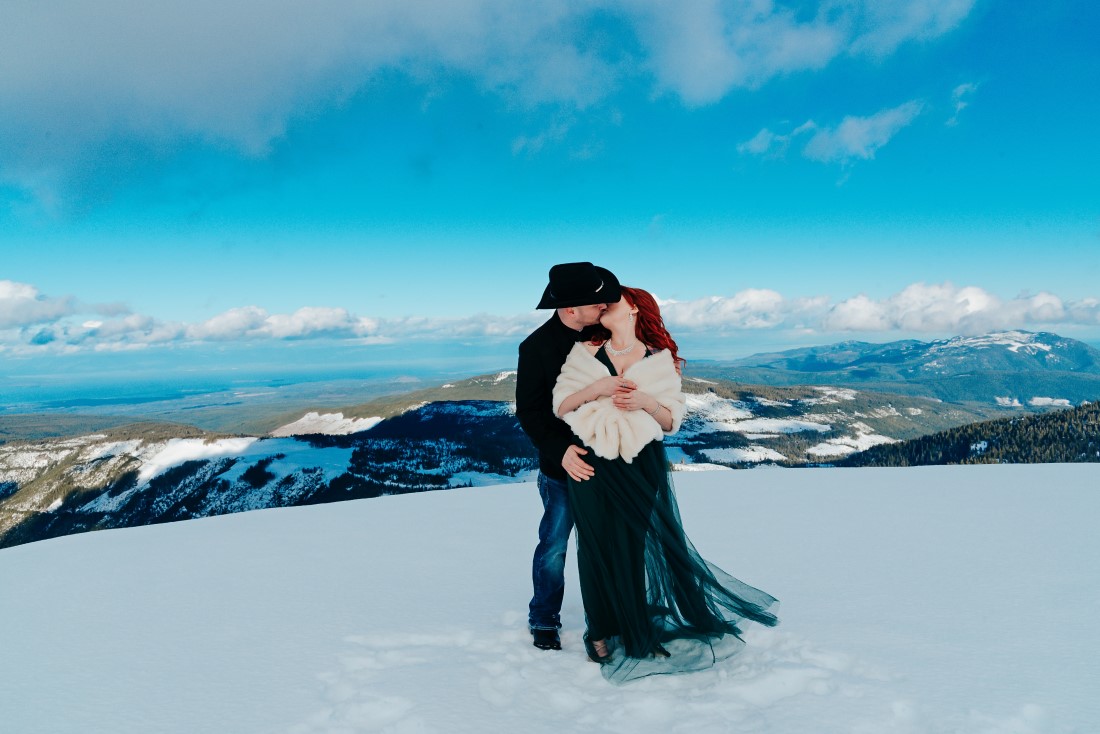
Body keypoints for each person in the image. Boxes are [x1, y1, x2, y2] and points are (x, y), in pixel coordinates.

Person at [553, 286, 779, 683]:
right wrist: (597, 390)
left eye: (613, 300)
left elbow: (670, 420)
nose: (603, 305)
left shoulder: (660, 362)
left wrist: (645, 403)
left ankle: (633, 622)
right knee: (594, 544)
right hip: (589, 462)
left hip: (640, 464)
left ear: (635, 308)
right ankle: (600, 630)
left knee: (634, 544)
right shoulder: (583, 351)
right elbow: (561, 405)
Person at [516, 262, 621, 651]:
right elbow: (529, 410)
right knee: (555, 545)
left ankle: (610, 617)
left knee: (608, 546)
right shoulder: (535, 347)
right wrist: (561, 452)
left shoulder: (603, 336)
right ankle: (544, 619)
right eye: (597, 303)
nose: (605, 307)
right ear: (571, 308)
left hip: (609, 463)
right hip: (561, 470)